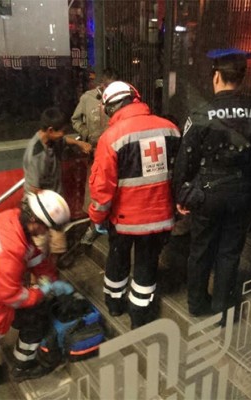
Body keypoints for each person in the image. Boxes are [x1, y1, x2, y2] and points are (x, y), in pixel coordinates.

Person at [173, 48, 251, 326]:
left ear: (216, 77)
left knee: (201, 249)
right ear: (242, 77)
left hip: (209, 192)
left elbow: (185, 158)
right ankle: (222, 308)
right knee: (229, 251)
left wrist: (182, 194)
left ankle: (197, 303)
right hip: (243, 191)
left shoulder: (202, 112)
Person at [0, 190, 74, 397]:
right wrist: (42, 292)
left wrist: (51, 279)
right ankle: (18, 368)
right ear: (33, 219)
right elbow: (12, 297)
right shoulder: (11, 246)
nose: (46, 232)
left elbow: (33, 256)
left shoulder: (12, 220)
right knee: (23, 325)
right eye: (45, 227)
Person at [88, 81, 181, 329]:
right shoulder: (171, 129)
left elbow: (102, 188)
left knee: (117, 260)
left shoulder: (111, 138)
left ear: (109, 108)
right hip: (160, 217)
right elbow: (181, 174)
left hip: (123, 219)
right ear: (136, 98)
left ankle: (115, 304)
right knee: (146, 265)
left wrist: (97, 217)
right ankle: (139, 316)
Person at [23, 107, 91, 266]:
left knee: (57, 247)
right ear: (50, 130)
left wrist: (79, 143)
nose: (63, 134)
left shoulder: (52, 139)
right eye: (62, 131)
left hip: (54, 208)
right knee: (39, 249)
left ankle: (51, 274)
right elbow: (34, 189)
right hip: (39, 209)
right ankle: (36, 284)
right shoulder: (36, 154)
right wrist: (53, 210)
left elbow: (64, 140)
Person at [71, 68, 120, 244]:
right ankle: (93, 227)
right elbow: (75, 120)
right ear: (101, 85)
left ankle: (115, 225)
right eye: (107, 87)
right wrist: (86, 134)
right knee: (94, 190)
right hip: (95, 151)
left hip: (116, 150)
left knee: (116, 189)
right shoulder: (87, 98)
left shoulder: (119, 98)